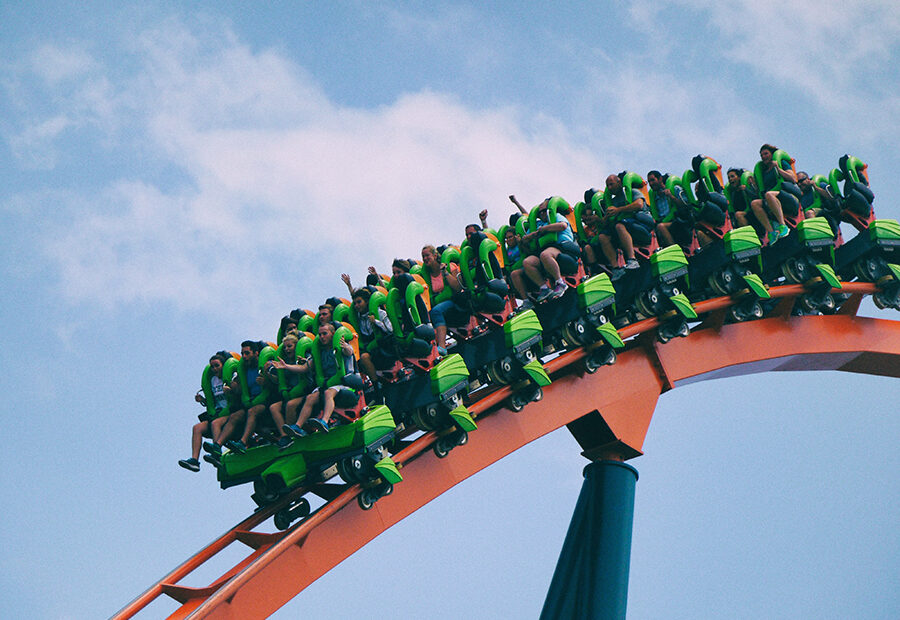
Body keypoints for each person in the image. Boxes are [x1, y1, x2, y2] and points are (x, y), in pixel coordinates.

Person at [284, 323, 356, 435]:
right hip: (327, 384)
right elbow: (304, 368)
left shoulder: (341, 345)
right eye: (320, 334)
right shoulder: (319, 352)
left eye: (325, 334)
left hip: (344, 384)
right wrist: (286, 366)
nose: (322, 337)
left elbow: (349, 352)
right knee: (311, 398)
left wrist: (344, 346)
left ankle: (325, 421)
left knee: (329, 392)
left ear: (332, 334)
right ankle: (298, 426)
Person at [510, 198, 577, 307]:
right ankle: (544, 289)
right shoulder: (538, 224)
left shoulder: (556, 216)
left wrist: (544, 229)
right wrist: (524, 240)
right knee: (528, 262)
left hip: (561, 246)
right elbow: (526, 238)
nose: (542, 213)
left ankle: (560, 283)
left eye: (544, 210)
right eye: (540, 212)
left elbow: (562, 226)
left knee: (545, 255)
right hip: (544, 250)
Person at [179, 353, 234, 472]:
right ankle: (194, 461)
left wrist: (231, 390)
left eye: (217, 366)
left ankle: (217, 454)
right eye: (212, 366)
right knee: (197, 428)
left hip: (231, 412)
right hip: (218, 412)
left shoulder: (231, 377)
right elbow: (214, 400)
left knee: (215, 423)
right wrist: (203, 400)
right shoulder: (213, 380)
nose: (214, 369)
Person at [214, 340, 272, 454]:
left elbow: (276, 384)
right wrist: (232, 388)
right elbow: (239, 389)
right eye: (242, 354)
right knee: (236, 415)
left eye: (247, 353)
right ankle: (217, 445)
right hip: (251, 401)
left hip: (267, 400)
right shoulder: (243, 370)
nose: (244, 357)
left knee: (252, 411)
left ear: (256, 353)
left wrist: (266, 382)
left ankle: (243, 442)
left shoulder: (266, 365)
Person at [594, 174, 653, 276]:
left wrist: (618, 210)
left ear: (619, 183)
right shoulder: (613, 201)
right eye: (608, 186)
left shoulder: (633, 192)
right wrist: (599, 220)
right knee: (603, 236)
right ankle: (616, 268)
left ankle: (632, 259)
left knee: (619, 226)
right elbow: (606, 221)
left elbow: (639, 204)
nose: (610, 188)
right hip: (625, 227)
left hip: (642, 224)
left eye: (612, 184)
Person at [750, 143, 799, 244]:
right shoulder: (763, 171)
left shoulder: (782, 163)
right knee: (755, 203)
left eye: (766, 154)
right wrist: (753, 185)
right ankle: (771, 232)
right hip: (772, 198)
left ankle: (783, 226)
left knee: (769, 195)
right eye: (761, 155)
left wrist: (778, 169)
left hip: (787, 195)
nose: (763, 157)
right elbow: (760, 192)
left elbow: (793, 179)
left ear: (772, 154)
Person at [268, 332, 309, 450]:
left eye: (289, 346)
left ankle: (293, 432)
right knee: (274, 407)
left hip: (306, 392)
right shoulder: (284, 362)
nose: (286, 349)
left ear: (297, 346)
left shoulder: (302, 358)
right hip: (292, 393)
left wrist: (287, 366)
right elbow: (280, 380)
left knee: (290, 405)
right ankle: (285, 436)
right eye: (285, 347)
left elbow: (306, 369)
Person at [421, 244, 465, 352]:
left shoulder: (450, 266)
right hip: (440, 304)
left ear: (435, 255)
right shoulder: (427, 274)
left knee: (436, 311)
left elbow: (458, 287)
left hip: (455, 301)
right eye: (423, 257)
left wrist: (445, 272)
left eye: (427, 255)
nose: (425, 258)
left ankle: (442, 347)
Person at [647, 170, 691, 249]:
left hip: (678, 220)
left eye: (653, 180)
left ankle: (675, 251)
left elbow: (685, 205)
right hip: (664, 222)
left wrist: (671, 196)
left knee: (661, 227)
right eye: (649, 181)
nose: (651, 183)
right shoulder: (654, 198)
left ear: (660, 179)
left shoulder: (675, 189)